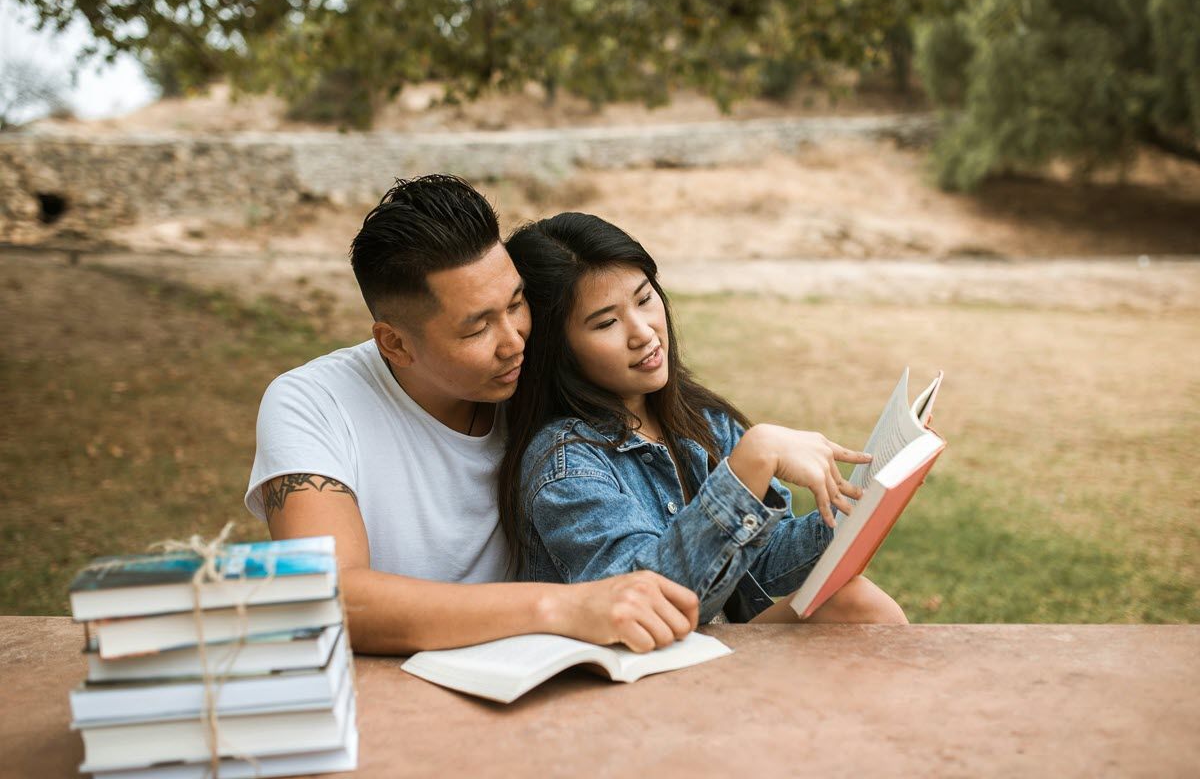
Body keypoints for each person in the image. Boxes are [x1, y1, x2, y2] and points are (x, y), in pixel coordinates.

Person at [246, 176, 700, 655]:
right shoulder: (314, 403)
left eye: (516, 303)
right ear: (394, 343)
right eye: (478, 328)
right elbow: (329, 596)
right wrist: (561, 607)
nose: (515, 340)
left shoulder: (543, 377)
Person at [499, 212, 908, 624]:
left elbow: (762, 563)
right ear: (559, 351)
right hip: (636, 671)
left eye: (644, 299)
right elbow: (644, 605)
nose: (643, 332)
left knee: (851, 599)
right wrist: (751, 463)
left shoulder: (701, 419)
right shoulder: (566, 464)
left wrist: (860, 510)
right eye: (606, 322)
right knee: (854, 606)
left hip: (706, 651)